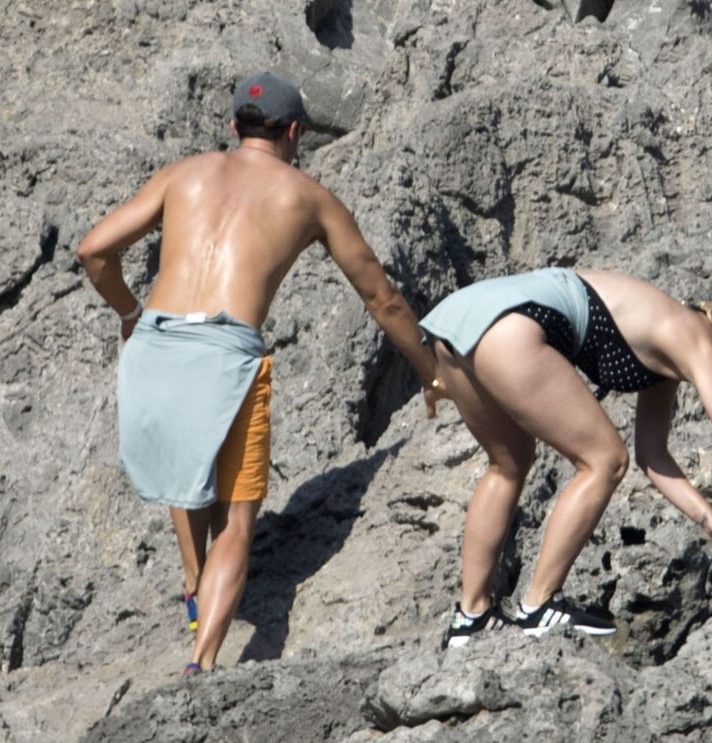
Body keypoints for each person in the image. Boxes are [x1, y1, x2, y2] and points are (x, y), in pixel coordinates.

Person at [77, 71, 443, 673]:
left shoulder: (183, 173)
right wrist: (429, 371)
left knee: (186, 468)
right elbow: (381, 298)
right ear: (294, 132)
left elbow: (93, 250)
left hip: (157, 344)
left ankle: (194, 582)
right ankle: (202, 662)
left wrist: (130, 314)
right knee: (237, 523)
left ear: (233, 126)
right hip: (226, 352)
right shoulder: (309, 197)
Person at [420, 267, 712, 648]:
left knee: (509, 463)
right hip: (509, 324)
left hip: (457, 323)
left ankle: (471, 617)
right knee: (604, 460)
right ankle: (539, 606)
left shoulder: (672, 346)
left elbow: (652, 455)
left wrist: (709, 520)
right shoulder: (697, 341)